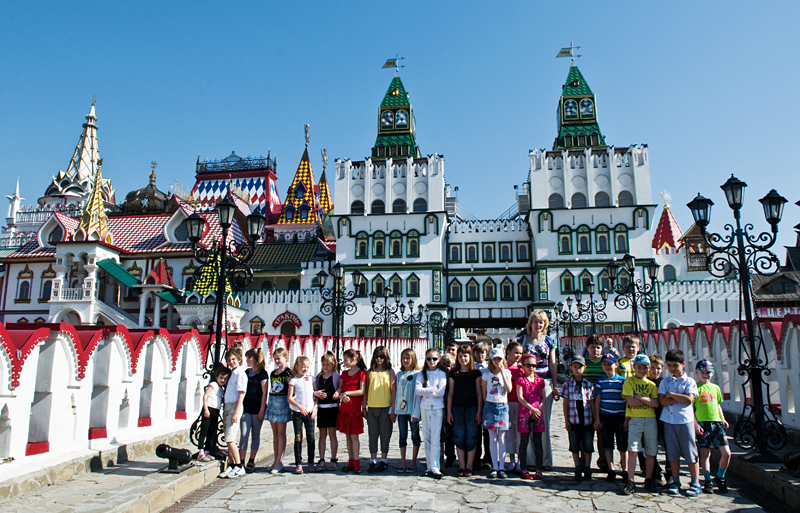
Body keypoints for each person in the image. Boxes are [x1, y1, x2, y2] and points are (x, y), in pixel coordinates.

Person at [519, 310, 559, 471]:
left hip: (544, 382)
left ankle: (545, 460)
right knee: (527, 421)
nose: (538, 325)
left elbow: (553, 364)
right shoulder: (523, 341)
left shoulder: (550, 342)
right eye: (536, 321)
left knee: (543, 421)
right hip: (528, 383)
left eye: (541, 322)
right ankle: (530, 459)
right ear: (531, 323)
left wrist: (555, 385)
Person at [658, 349, 701, 496]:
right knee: (672, 453)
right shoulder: (665, 381)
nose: (672, 368)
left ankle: (695, 482)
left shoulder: (689, 381)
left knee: (690, 452)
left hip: (684, 421)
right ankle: (675, 481)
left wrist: (672, 395)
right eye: (669, 365)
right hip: (669, 421)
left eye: (675, 365)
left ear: (683, 364)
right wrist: (678, 398)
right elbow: (662, 401)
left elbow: (689, 400)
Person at [621, 354, 660, 495]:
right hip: (635, 419)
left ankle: (649, 478)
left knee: (651, 450)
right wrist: (646, 400)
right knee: (632, 450)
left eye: (645, 368)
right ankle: (630, 480)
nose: (642, 370)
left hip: (650, 419)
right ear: (634, 367)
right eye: (639, 367)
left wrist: (640, 397)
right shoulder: (629, 382)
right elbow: (630, 401)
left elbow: (655, 404)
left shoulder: (651, 385)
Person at [694, 359, 730, 495]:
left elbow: (718, 404)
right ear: (697, 372)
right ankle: (708, 480)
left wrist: (723, 418)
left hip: (716, 423)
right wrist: (696, 424)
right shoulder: (695, 388)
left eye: (708, 372)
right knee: (704, 453)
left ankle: (720, 477)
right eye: (703, 372)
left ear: (712, 373)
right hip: (702, 423)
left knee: (726, 453)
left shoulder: (715, 388)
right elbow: (692, 407)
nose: (705, 374)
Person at [447, 345, 483, 477]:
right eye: (460, 356)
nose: (463, 358)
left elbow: (479, 393)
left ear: (470, 357)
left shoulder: (476, 373)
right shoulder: (453, 373)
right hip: (457, 408)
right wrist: (449, 411)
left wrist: (479, 411)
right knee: (458, 436)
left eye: (465, 356)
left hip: (472, 408)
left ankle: (469, 466)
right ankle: (461, 465)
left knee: (471, 437)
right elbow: (450, 393)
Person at [593, 352, 628, 483]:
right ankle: (611, 468)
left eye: (610, 364)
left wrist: (627, 419)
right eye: (605, 364)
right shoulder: (601, 381)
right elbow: (598, 400)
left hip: (619, 416)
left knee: (622, 444)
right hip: (605, 416)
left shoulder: (622, 381)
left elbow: (626, 401)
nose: (608, 367)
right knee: (607, 444)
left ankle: (625, 468)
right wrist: (597, 418)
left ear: (616, 365)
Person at [413, 348, 447, 479]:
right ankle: (428, 466)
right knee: (426, 438)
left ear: (438, 360)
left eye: (434, 359)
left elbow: (441, 392)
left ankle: (435, 466)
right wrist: (432, 389)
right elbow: (417, 390)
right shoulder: (422, 374)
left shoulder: (441, 374)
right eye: (429, 359)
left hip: (437, 408)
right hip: (425, 407)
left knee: (435, 438)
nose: (431, 361)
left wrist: (426, 390)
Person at [560, 355, 595, 481]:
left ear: (584, 368)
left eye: (580, 367)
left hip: (587, 419)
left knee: (587, 445)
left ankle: (587, 466)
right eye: (575, 367)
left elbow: (591, 402)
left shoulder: (588, 385)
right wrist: (566, 419)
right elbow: (565, 402)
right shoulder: (567, 384)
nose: (577, 369)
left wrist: (595, 419)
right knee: (574, 445)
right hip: (574, 419)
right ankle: (577, 467)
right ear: (571, 368)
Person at [363, 345, 396, 473]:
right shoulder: (370, 372)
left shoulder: (390, 372)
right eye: (376, 356)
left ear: (386, 357)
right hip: (372, 407)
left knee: (385, 434)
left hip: (385, 406)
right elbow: (365, 391)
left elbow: (393, 390)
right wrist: (364, 407)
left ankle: (384, 459)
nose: (379, 359)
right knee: (372, 435)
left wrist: (393, 408)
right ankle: (373, 460)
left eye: (381, 356)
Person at [482, 346, 513, 478]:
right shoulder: (486, 374)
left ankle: (502, 466)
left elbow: (509, 389)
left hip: (502, 405)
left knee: (502, 438)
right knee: (492, 438)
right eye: (495, 359)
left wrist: (501, 372)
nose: (497, 361)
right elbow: (484, 391)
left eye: (499, 359)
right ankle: (495, 466)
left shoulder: (506, 373)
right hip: (490, 405)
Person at [515, 354, 545, 480]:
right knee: (524, 441)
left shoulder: (540, 381)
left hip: (537, 413)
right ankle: (524, 468)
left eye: (534, 365)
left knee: (538, 442)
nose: (531, 368)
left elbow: (543, 397)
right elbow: (520, 397)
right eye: (529, 365)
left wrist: (538, 410)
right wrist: (531, 408)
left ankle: (539, 468)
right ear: (523, 366)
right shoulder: (521, 380)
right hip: (525, 412)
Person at [219, 346, 248, 479]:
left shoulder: (241, 374)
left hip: (235, 406)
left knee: (230, 438)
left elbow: (241, 394)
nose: (231, 362)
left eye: (233, 359)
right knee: (228, 437)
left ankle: (239, 465)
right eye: (229, 360)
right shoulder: (232, 373)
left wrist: (236, 412)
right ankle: (231, 465)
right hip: (228, 406)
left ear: (239, 359)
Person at [338, 349, 367, 474]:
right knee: (348, 436)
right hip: (345, 408)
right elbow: (339, 388)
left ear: (353, 360)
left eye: (346, 359)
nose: (344, 362)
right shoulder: (344, 374)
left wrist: (347, 393)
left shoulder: (361, 373)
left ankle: (356, 462)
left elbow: (362, 391)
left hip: (355, 408)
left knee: (354, 436)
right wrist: (341, 396)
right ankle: (350, 460)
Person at [239, 348, 268, 472]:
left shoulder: (262, 373)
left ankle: (251, 459)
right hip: (246, 408)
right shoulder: (246, 372)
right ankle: (241, 460)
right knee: (244, 434)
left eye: (248, 358)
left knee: (255, 435)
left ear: (253, 359)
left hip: (257, 408)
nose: (246, 360)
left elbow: (264, 392)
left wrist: (262, 409)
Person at [582, 335, 607, 473]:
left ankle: (603, 460)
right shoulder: (584, 363)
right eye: (592, 347)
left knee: (602, 434)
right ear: (587, 348)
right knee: (586, 433)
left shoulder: (605, 362)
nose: (595, 350)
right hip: (586, 402)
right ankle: (584, 461)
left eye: (598, 347)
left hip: (602, 401)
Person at [265, 347, 292, 474]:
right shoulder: (273, 373)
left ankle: (279, 460)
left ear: (285, 358)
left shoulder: (288, 373)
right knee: (275, 434)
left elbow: (291, 388)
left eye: (279, 358)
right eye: (275, 359)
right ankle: (275, 459)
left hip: (282, 403)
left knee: (281, 433)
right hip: (273, 401)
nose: (276, 361)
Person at [395, 348, 420, 473]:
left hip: (413, 409)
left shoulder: (417, 374)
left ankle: (413, 461)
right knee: (402, 435)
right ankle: (403, 461)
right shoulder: (399, 375)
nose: (405, 360)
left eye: (408, 358)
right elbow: (395, 392)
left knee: (415, 434)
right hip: (401, 410)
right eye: (403, 358)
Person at [314, 352, 340, 471]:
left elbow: (340, 387)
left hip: (332, 408)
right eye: (323, 364)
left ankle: (333, 459)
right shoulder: (319, 377)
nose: (325, 367)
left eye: (328, 364)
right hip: (322, 409)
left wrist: (338, 391)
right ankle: (322, 459)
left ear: (333, 364)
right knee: (322, 435)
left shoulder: (336, 376)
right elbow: (314, 390)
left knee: (332, 435)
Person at [198, 366, 230, 462]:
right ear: (216, 377)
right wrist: (206, 409)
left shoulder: (222, 389)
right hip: (209, 409)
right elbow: (205, 396)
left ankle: (207, 451)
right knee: (204, 431)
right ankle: (200, 452)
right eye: (221, 378)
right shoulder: (213, 385)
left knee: (212, 431)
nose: (222, 380)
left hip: (216, 411)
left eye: (225, 379)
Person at [504, 341, 523, 473]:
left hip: (520, 403)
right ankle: (511, 459)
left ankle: (520, 459)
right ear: (508, 352)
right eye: (516, 352)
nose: (518, 355)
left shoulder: (522, 369)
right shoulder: (504, 368)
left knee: (520, 432)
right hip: (507, 402)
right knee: (509, 432)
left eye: (520, 353)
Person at [472, 341, 491, 469]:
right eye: (477, 352)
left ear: (486, 354)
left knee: (488, 432)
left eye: (482, 352)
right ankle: (476, 457)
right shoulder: (472, 367)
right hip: (474, 401)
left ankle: (488, 458)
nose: (480, 355)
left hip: (488, 401)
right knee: (475, 431)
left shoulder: (489, 367)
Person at [439, 353, 457, 468]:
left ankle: (451, 456)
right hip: (440, 405)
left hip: (452, 406)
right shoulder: (439, 375)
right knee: (442, 433)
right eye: (444, 364)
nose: (447, 367)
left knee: (451, 433)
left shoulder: (454, 375)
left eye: (449, 365)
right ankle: (443, 455)